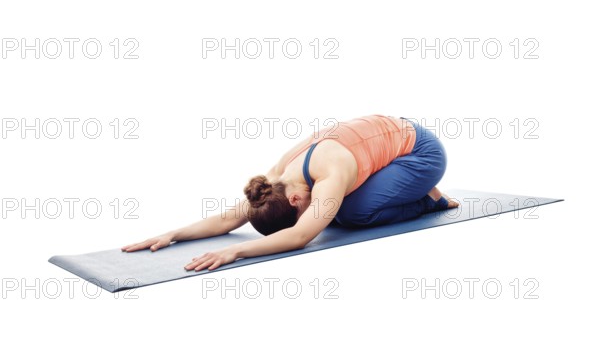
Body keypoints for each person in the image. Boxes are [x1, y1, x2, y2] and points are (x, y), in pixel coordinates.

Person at [121, 115, 459, 271]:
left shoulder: (329, 173)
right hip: (387, 143)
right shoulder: (275, 181)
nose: (307, 214)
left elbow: (300, 236)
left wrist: (236, 253)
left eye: (300, 212)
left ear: (295, 200)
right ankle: (407, 185)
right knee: (336, 210)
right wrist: (173, 234)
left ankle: (429, 199)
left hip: (421, 152)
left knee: (350, 214)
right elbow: (229, 218)